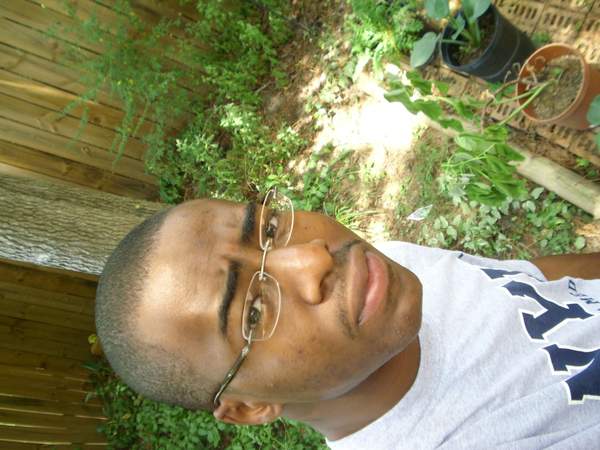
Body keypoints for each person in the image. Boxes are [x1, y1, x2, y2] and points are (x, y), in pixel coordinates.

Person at [95, 189, 600, 449]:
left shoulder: (389, 274)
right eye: (253, 312)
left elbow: (534, 280)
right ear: (249, 407)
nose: (313, 258)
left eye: (268, 229)